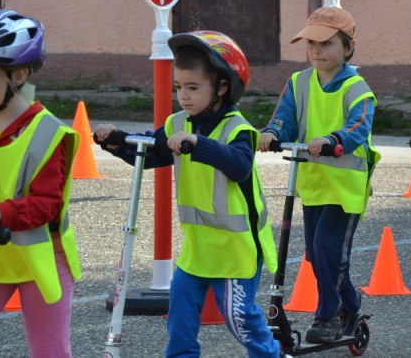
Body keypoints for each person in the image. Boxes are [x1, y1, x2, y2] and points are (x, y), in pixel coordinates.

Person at [94, 31, 285, 357]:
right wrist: (117, 141)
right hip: (198, 247)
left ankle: (272, 355)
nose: (183, 96)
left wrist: (199, 144)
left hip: (236, 249)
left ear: (221, 88)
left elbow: (239, 166)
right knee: (180, 311)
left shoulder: (237, 128)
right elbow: (151, 153)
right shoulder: (178, 123)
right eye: (178, 87)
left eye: (193, 88)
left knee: (239, 318)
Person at [258, 6, 380, 344]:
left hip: (345, 189)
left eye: (326, 43)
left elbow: (358, 126)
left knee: (327, 248)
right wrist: (272, 133)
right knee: (316, 254)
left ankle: (328, 314)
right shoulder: (299, 83)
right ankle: (350, 304)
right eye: (311, 43)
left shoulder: (356, 88)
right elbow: (283, 118)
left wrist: (333, 140)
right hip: (313, 184)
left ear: (348, 47)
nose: (316, 50)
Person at [0, 9, 81, 358]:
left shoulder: (47, 133)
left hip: (42, 260)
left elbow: (47, 204)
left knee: (49, 351)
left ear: (19, 75)